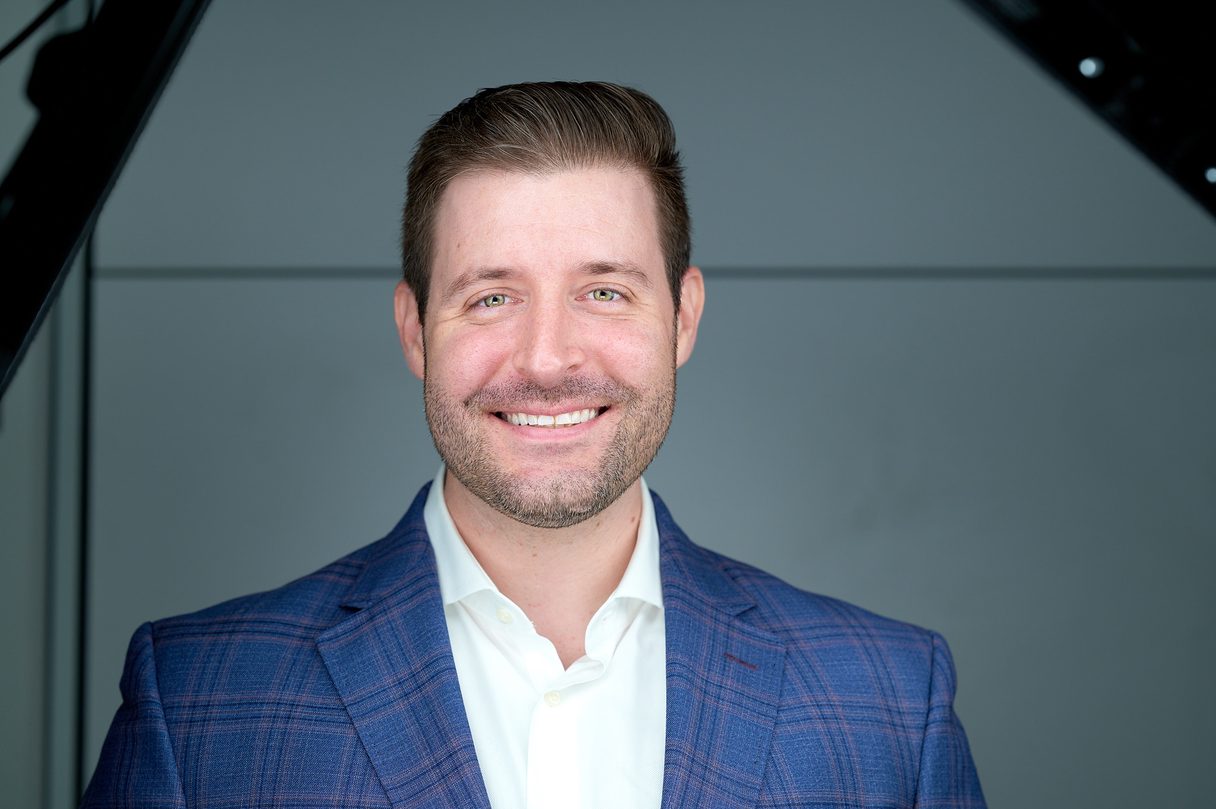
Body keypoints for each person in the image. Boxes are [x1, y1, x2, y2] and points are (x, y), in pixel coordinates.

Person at [83, 82, 985, 808]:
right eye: (491, 297)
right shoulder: (198, 702)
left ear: (683, 318)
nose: (548, 359)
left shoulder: (889, 702)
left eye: (605, 292)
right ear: (414, 329)